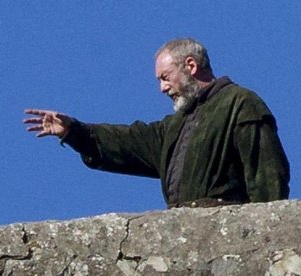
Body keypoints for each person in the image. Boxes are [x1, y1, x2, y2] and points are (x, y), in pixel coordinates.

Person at [24, 38, 290, 208]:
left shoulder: (240, 104)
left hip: (229, 233)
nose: (162, 88)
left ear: (191, 66)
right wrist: (74, 132)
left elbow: (267, 176)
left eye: (165, 77)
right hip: (184, 237)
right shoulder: (175, 127)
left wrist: (265, 235)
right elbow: (128, 142)